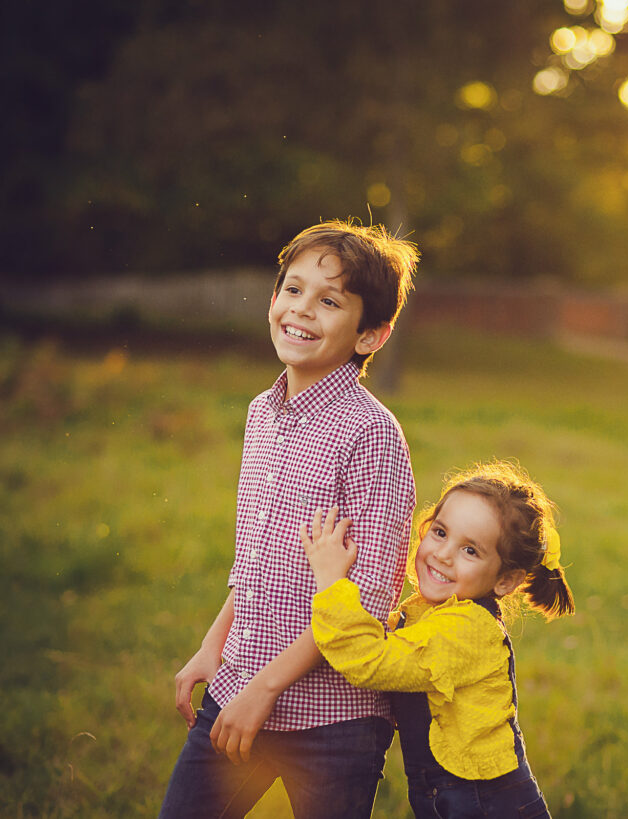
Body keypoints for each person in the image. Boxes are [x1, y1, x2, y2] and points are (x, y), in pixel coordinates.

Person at [159, 219, 419, 819]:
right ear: (273, 299)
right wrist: (213, 644)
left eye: (329, 301)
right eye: (293, 289)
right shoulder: (262, 412)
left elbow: (369, 600)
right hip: (236, 693)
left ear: (371, 335)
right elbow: (258, 559)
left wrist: (266, 689)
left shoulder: (371, 435)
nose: (301, 310)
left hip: (332, 725)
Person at [301, 461, 575, 819]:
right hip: (454, 796)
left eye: (470, 550)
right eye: (441, 532)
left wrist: (332, 582)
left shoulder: (467, 628)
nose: (443, 554)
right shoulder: (429, 613)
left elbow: (371, 661)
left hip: (486, 803)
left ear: (505, 580)